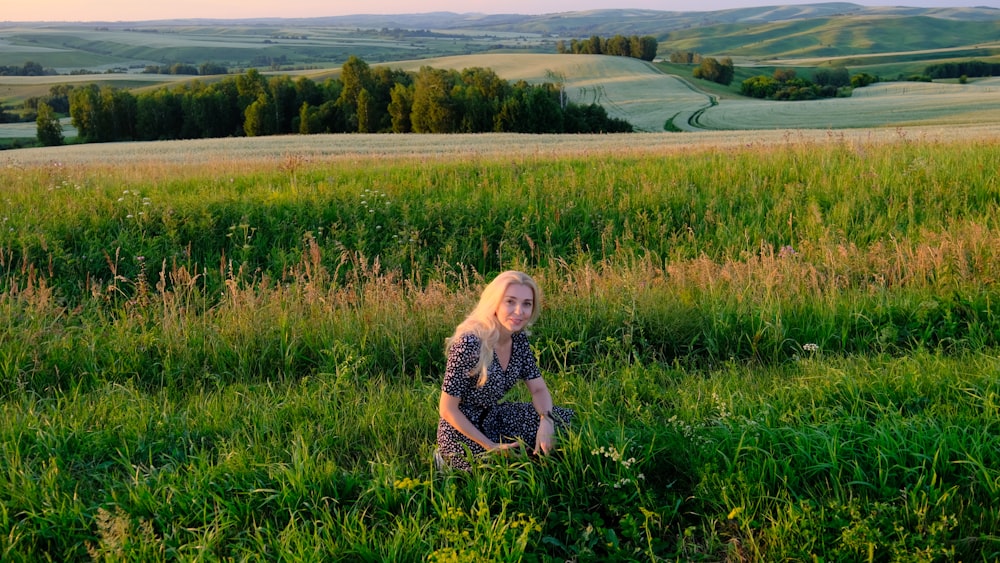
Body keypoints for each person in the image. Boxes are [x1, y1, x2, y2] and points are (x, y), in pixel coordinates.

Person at [436, 270, 574, 471]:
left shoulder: (518, 340)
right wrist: (490, 446)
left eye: (527, 303)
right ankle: (443, 459)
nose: (519, 311)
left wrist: (546, 420)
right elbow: (447, 409)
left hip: (494, 416)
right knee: (502, 470)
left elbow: (538, 390)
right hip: (461, 431)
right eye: (510, 301)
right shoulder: (469, 343)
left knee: (563, 421)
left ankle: (526, 450)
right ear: (495, 303)